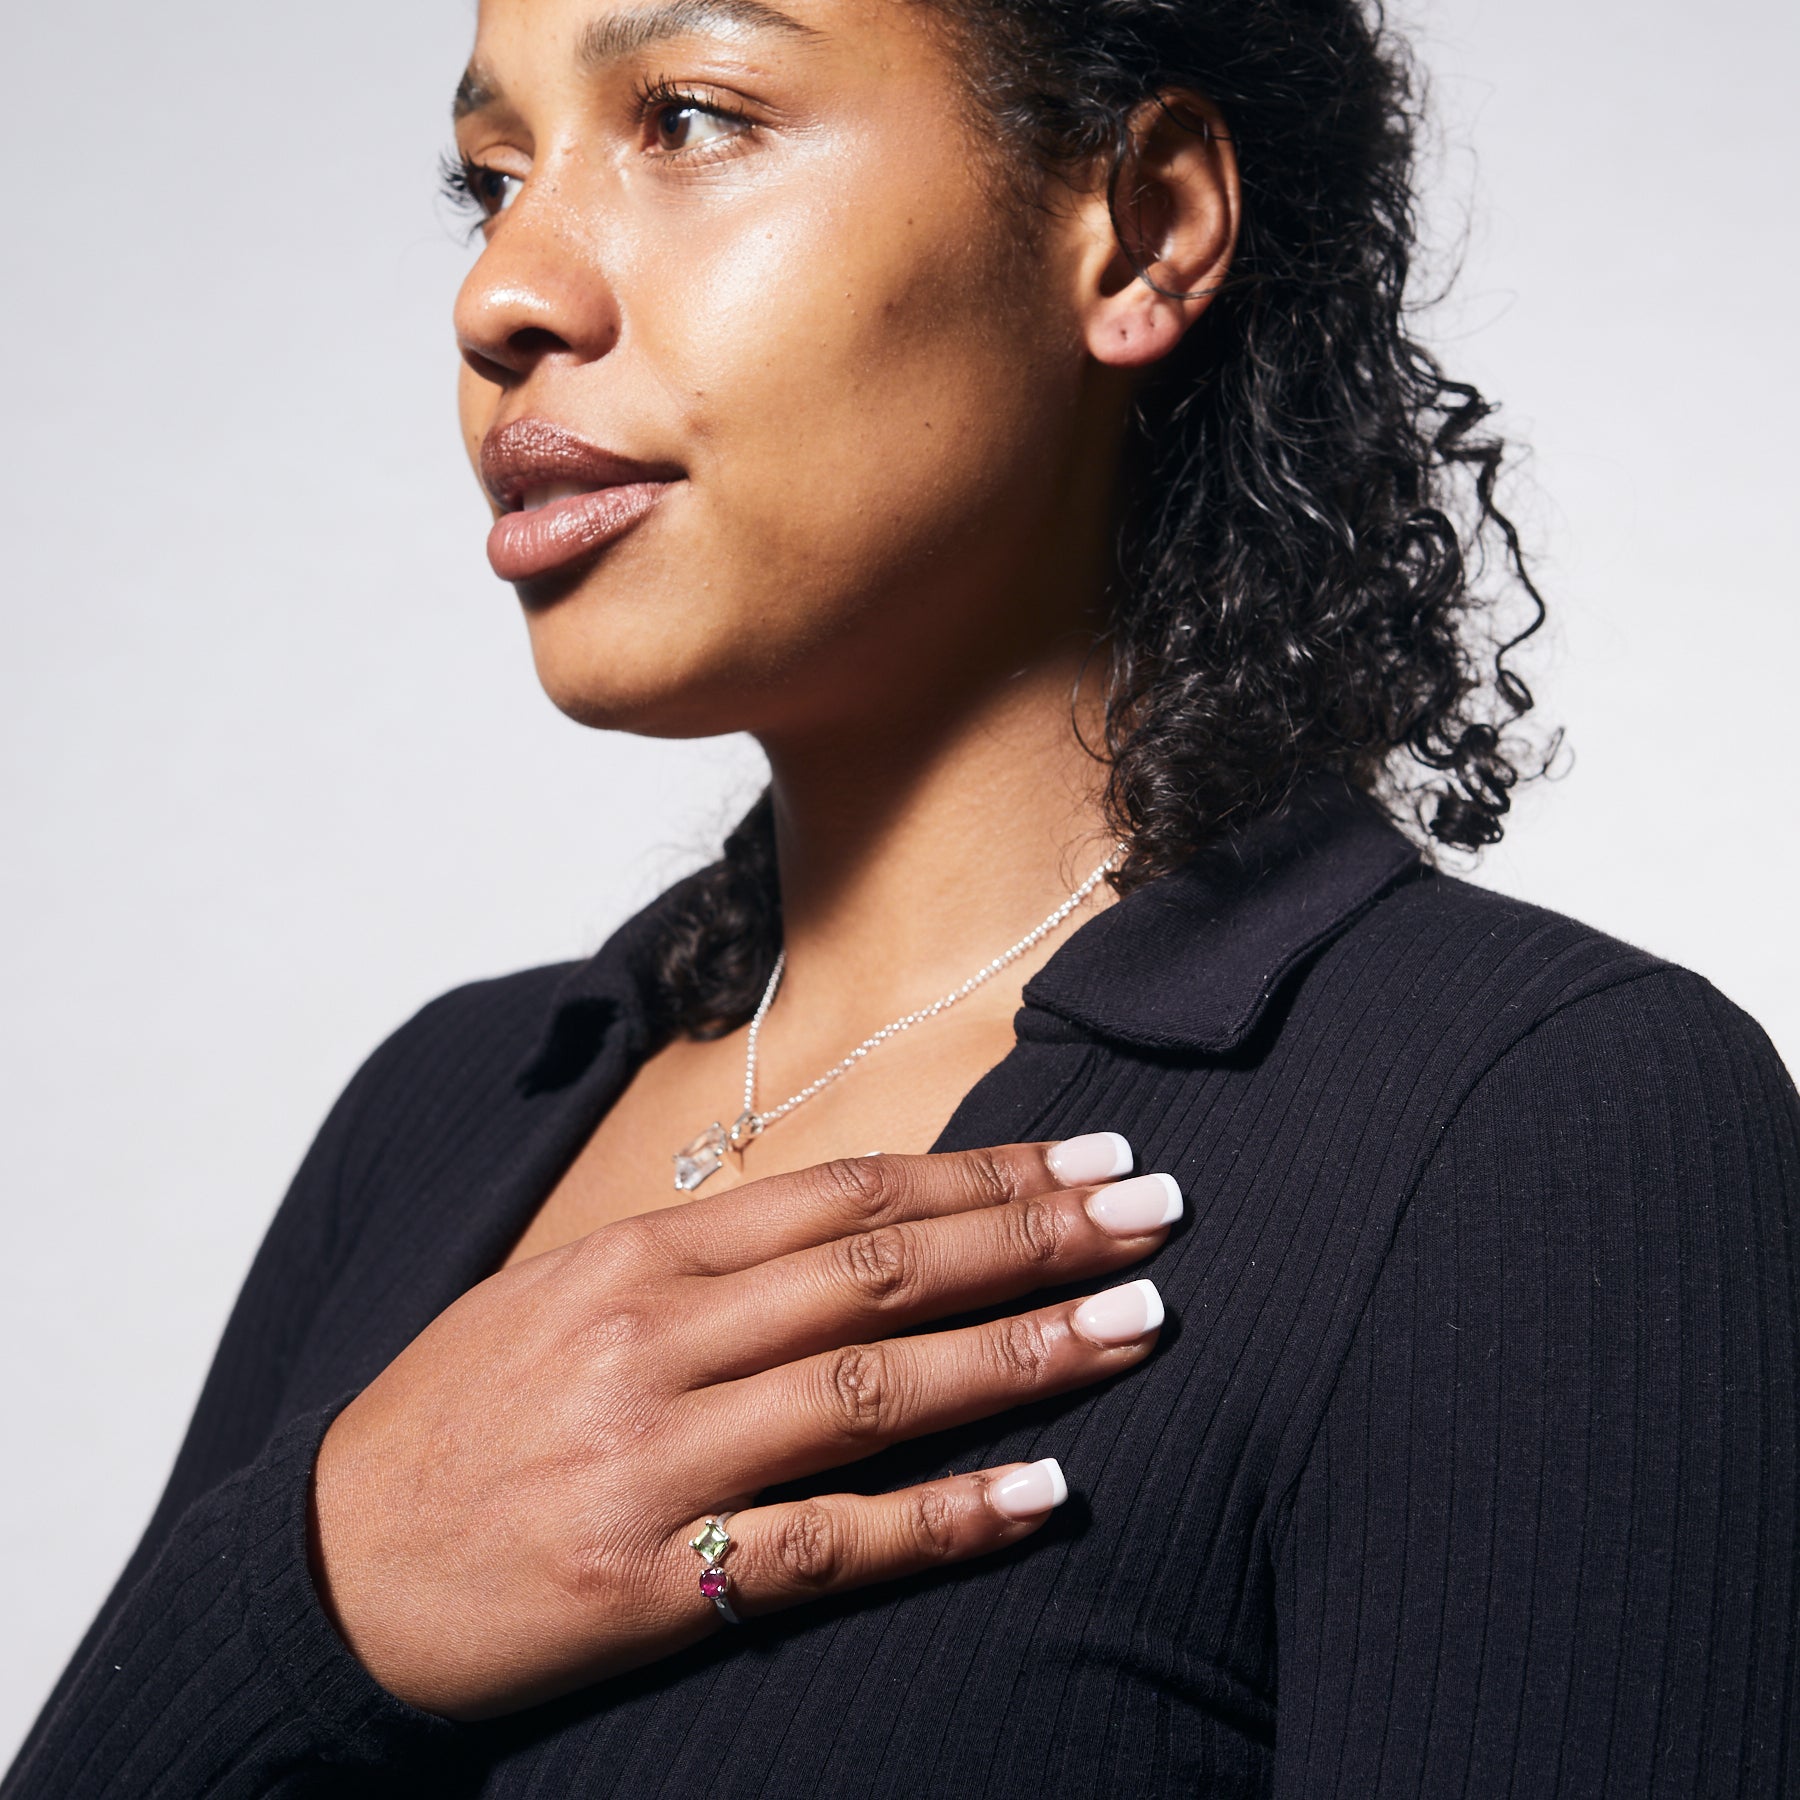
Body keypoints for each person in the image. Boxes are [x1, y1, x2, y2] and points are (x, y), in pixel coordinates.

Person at [7, 0, 1796, 1793]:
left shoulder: (1540, 1132)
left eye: (693, 118)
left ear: (1145, 223)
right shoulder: (449, 1107)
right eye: (488, 180)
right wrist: (311, 1591)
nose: (504, 296)